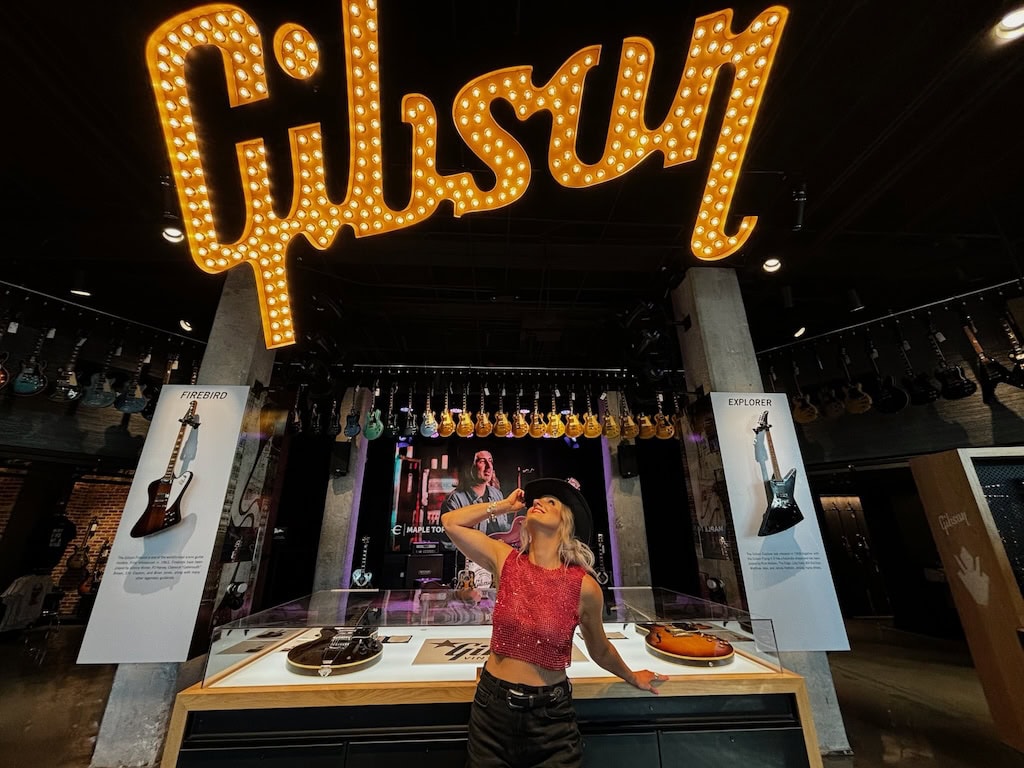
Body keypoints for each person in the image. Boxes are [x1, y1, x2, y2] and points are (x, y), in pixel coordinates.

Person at [442, 477, 667, 767]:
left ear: (566, 524)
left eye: (552, 502)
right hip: (492, 713)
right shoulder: (506, 559)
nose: (539, 502)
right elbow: (451, 522)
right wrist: (505, 506)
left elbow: (600, 649)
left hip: (552, 720)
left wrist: (632, 676)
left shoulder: (584, 587)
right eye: (538, 500)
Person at [439, 451, 513, 535]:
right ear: (470, 467)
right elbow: (449, 544)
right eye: (482, 461)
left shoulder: (497, 494)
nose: (489, 467)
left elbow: (504, 529)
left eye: (490, 461)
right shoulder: (454, 501)